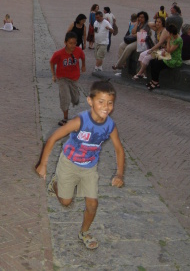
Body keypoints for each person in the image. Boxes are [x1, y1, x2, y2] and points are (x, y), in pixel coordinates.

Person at [35, 80, 125, 250]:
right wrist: (43, 163)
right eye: (101, 102)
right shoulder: (80, 121)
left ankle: (84, 232)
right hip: (69, 163)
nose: (106, 107)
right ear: (90, 101)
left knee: (92, 204)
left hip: (89, 167)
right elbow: (53, 138)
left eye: (110, 103)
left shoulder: (110, 126)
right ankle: (55, 184)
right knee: (66, 202)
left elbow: (119, 150)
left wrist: (119, 174)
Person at [50, 32, 86, 126]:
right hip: (62, 78)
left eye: (74, 43)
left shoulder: (78, 50)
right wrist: (53, 74)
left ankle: (75, 97)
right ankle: (65, 118)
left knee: (75, 99)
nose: (73, 45)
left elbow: (83, 57)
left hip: (74, 78)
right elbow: (52, 62)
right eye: (70, 43)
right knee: (65, 97)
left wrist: (83, 66)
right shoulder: (59, 54)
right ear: (65, 42)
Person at [147, 24, 183, 91]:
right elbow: (167, 49)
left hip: (173, 59)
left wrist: (168, 40)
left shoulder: (178, 40)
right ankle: (153, 80)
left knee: (157, 64)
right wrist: (164, 50)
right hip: (168, 55)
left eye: (168, 32)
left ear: (171, 33)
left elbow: (170, 50)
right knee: (152, 61)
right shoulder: (172, 37)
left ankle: (156, 82)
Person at [133, 16, 166, 80]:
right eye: (156, 22)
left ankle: (139, 73)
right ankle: (144, 74)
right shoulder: (157, 29)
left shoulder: (164, 30)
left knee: (147, 57)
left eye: (159, 22)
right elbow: (149, 24)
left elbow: (160, 43)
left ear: (163, 23)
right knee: (141, 55)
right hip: (157, 49)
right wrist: (156, 23)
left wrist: (151, 49)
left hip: (163, 50)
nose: (157, 23)